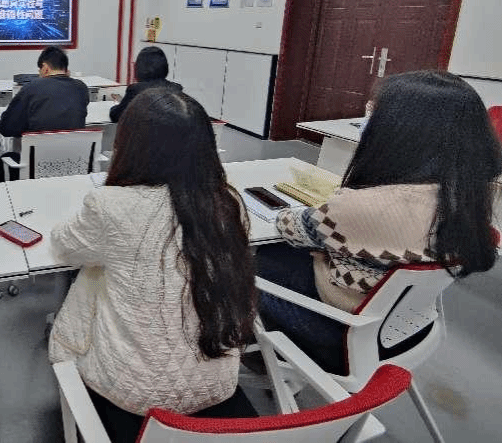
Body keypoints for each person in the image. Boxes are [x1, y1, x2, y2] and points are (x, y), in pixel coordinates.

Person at [256, 70, 501, 374]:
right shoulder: (469, 195)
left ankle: (259, 354)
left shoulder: (365, 207)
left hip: (342, 336)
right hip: (411, 328)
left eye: (375, 114)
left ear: (396, 132)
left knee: (253, 260)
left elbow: (289, 226)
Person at [48, 88, 256, 443]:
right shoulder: (226, 202)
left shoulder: (111, 204)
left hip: (135, 393)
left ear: (130, 145)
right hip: (217, 382)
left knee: (93, 274)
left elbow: (65, 248)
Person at [0, 45, 89, 137]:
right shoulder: (81, 87)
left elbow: (6, 129)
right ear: (66, 69)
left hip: (39, 146)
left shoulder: (32, 87)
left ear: (45, 67)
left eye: (39, 70)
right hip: (74, 145)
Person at [109, 46, 182, 122]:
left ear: (139, 68)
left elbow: (116, 116)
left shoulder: (136, 90)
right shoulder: (176, 88)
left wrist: (114, 107)